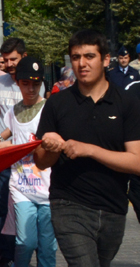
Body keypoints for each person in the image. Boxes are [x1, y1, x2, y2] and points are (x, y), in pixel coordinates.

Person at [34, 29, 140, 267]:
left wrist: (89, 150)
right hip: (68, 204)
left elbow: (137, 162)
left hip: (113, 207)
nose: (81, 63)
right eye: (75, 57)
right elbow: (41, 162)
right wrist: (50, 147)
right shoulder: (58, 103)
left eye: (89, 56)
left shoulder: (128, 103)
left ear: (105, 59)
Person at [0, 56, 56, 267]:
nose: (31, 88)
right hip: (21, 188)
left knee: (47, 246)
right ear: (18, 83)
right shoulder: (13, 111)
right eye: (26, 83)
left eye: (36, 83)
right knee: (25, 242)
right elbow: (18, 144)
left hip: (48, 190)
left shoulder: (51, 109)